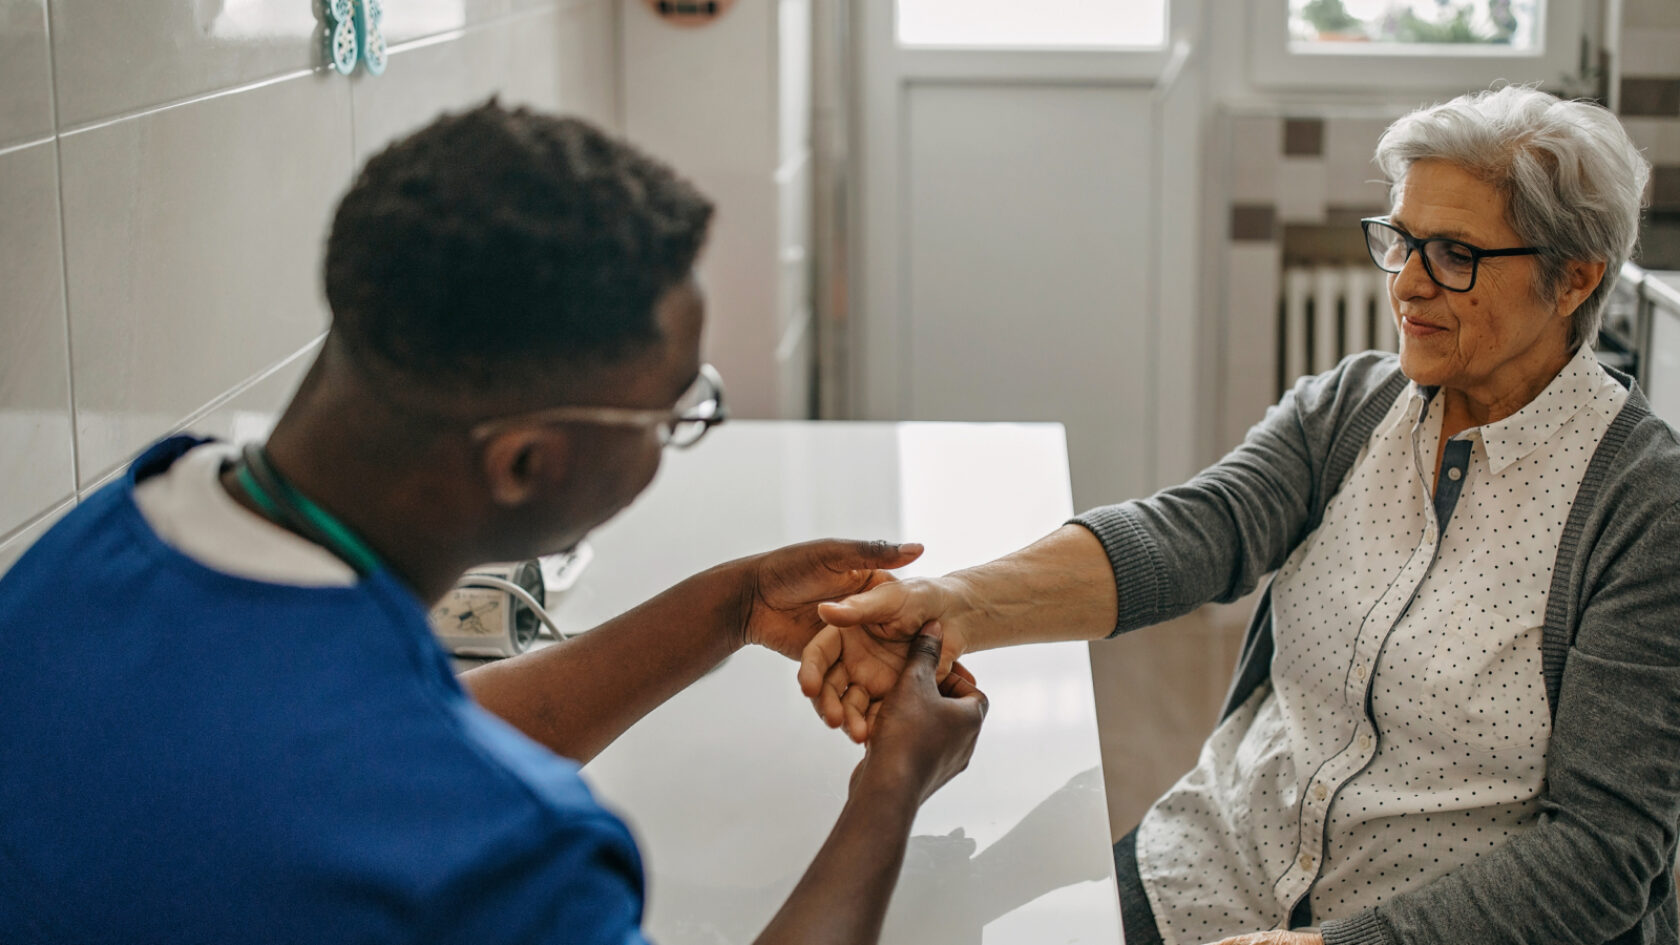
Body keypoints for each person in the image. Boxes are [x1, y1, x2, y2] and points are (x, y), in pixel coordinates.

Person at [0, 101, 987, 944]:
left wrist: (732, 604)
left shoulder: (114, 536)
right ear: (524, 462)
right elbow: (410, 787)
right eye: (671, 413)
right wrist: (894, 784)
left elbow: (368, 763)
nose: (682, 432)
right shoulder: (520, 853)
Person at [799, 85, 1679, 945]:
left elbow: (1603, 852)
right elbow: (1195, 532)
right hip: (1214, 871)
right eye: (1400, 239)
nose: (1407, 283)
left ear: (1574, 281)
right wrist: (951, 605)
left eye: (1454, 254)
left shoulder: (1643, 506)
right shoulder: (1353, 407)